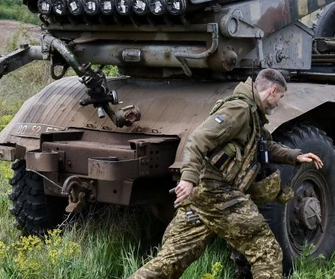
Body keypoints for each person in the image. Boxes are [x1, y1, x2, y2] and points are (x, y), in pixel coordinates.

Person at [129, 68, 323, 279]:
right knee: (267, 252)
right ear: (272, 90)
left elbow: (264, 145)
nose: (279, 103)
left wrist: (295, 156)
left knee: (171, 260)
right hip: (220, 195)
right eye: (280, 97)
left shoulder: (252, 114)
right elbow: (198, 139)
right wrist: (187, 179)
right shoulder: (239, 110)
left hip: (202, 198)